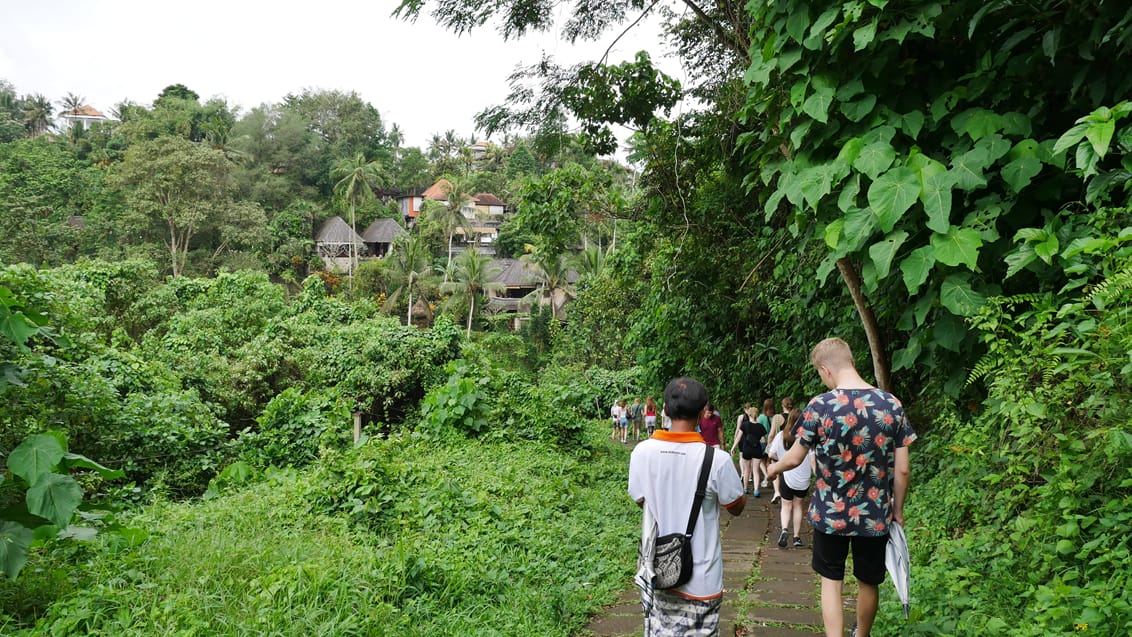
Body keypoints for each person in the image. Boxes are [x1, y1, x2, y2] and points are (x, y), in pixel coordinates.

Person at [767, 338, 916, 637]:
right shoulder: (890, 404)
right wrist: (896, 510)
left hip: (830, 514)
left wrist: (773, 468)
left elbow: (796, 457)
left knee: (830, 580)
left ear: (826, 369)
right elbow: (902, 469)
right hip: (875, 515)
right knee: (868, 581)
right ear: (850, 361)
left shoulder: (820, 406)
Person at [629, 377, 746, 636]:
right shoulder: (717, 459)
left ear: (665, 409)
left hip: (657, 570)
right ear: (704, 411)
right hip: (703, 579)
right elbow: (736, 506)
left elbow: (641, 501)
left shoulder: (641, 452)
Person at [767, 408, 814, 548]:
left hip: (787, 476)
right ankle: (797, 537)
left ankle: (785, 530)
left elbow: (771, 454)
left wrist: (781, 461)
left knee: (786, 505)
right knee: (798, 505)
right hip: (803, 479)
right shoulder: (808, 436)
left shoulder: (782, 435)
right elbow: (812, 459)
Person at [729, 404, 764, 496]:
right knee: (756, 470)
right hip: (757, 449)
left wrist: (733, 447)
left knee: (746, 470)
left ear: (749, 415)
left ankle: (745, 488)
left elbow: (738, 437)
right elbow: (764, 440)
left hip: (747, 448)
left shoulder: (745, 425)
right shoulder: (760, 426)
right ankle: (756, 490)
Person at [755, 399, 775, 490]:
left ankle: (767, 476)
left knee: (761, 462)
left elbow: (758, 429)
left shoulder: (761, 417)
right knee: (769, 461)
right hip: (773, 443)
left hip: (763, 442)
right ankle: (771, 478)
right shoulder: (776, 417)